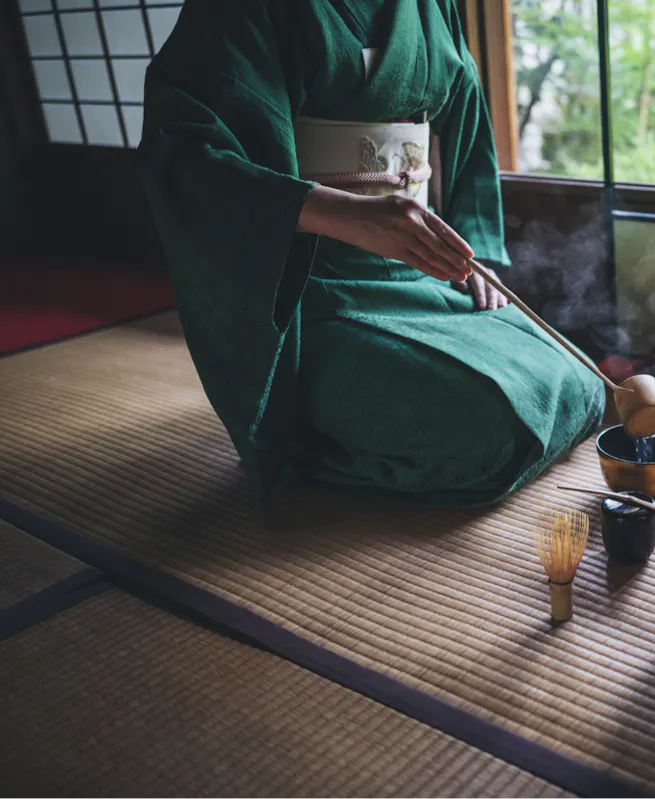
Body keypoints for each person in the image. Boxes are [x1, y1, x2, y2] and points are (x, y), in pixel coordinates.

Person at [137, 0, 606, 506]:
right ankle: (296, 439)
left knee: (582, 383)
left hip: (419, 269)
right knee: (491, 429)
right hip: (309, 283)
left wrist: (477, 254)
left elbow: (467, 106)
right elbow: (182, 156)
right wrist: (344, 213)